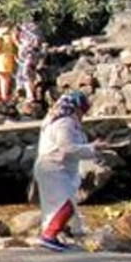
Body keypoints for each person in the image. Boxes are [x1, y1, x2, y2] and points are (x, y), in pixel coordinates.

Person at [33, 91, 98, 252]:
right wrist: (93, 148)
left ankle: (52, 236)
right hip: (53, 168)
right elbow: (67, 147)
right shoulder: (65, 123)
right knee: (66, 206)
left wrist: (92, 148)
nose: (83, 115)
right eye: (83, 111)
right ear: (76, 108)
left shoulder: (59, 120)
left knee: (57, 206)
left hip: (56, 168)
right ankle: (48, 236)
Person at [14, 21, 43, 107]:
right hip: (27, 54)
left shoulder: (31, 28)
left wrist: (20, 46)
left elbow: (36, 43)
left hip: (29, 54)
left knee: (27, 74)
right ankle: (24, 92)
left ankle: (29, 95)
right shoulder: (33, 29)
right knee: (24, 74)